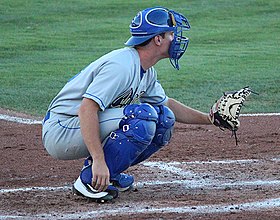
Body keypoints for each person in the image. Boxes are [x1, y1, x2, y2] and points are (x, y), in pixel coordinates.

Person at [42, 7, 212, 202]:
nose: (176, 39)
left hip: (77, 127)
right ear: (158, 39)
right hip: (62, 129)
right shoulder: (121, 66)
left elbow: (168, 105)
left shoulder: (146, 70)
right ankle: (88, 181)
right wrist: (98, 159)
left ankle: (110, 175)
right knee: (142, 118)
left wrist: (210, 119)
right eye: (171, 34)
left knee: (164, 118)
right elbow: (86, 109)